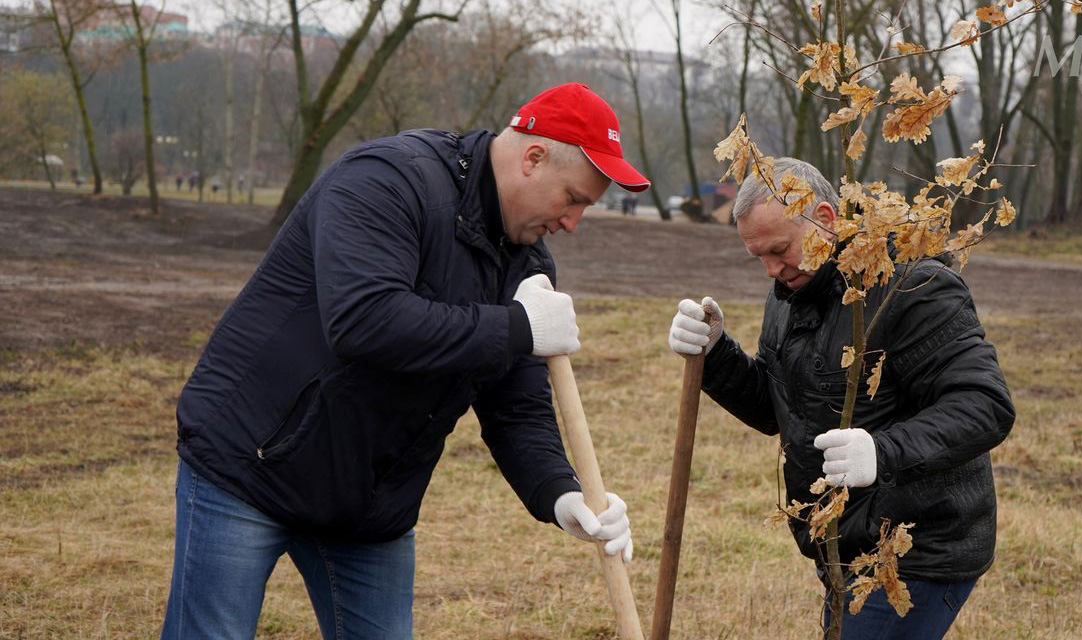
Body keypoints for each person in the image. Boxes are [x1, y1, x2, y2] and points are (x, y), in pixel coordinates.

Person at [161, 83, 651, 640]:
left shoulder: (527, 263)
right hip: (250, 464)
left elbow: (517, 409)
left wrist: (562, 495)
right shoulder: (386, 181)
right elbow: (364, 321)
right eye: (574, 199)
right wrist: (517, 327)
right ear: (533, 158)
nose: (573, 224)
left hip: (370, 503)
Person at [666, 157, 1014, 639]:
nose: (771, 270)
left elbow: (985, 405)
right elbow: (779, 410)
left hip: (915, 551)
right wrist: (715, 356)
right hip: (845, 543)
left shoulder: (912, 288)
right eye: (759, 257)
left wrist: (882, 451)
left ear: (824, 221)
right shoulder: (791, 290)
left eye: (779, 250)